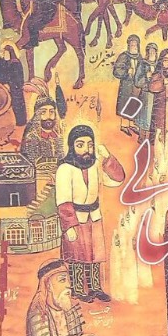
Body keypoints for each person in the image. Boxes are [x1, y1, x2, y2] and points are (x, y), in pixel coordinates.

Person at [55, 125, 123, 301]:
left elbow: (117, 179)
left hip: (94, 216)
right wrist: (69, 226)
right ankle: (78, 289)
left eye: (90, 145)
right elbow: (63, 200)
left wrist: (108, 158)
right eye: (80, 145)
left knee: (95, 254)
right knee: (77, 256)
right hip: (76, 219)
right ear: (72, 146)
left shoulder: (96, 165)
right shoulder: (65, 169)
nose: (86, 149)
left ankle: (95, 288)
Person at [19, 95, 62, 171]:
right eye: (43, 112)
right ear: (37, 115)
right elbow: (32, 163)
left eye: (51, 112)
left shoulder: (58, 136)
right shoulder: (32, 138)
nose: (48, 116)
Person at [112, 36, 144, 135]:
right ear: (128, 45)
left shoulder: (139, 57)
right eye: (131, 45)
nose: (133, 47)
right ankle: (124, 125)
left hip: (136, 86)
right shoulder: (124, 56)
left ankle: (131, 124)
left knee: (133, 103)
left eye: (135, 45)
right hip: (126, 85)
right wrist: (126, 72)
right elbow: (116, 71)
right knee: (124, 104)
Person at [0, 45, 27, 127]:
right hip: (3, 86)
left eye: (8, 51)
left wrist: (10, 84)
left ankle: (21, 122)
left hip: (15, 87)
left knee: (18, 103)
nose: (6, 53)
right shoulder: (1, 62)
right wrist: (3, 83)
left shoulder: (16, 63)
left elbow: (18, 77)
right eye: (5, 51)